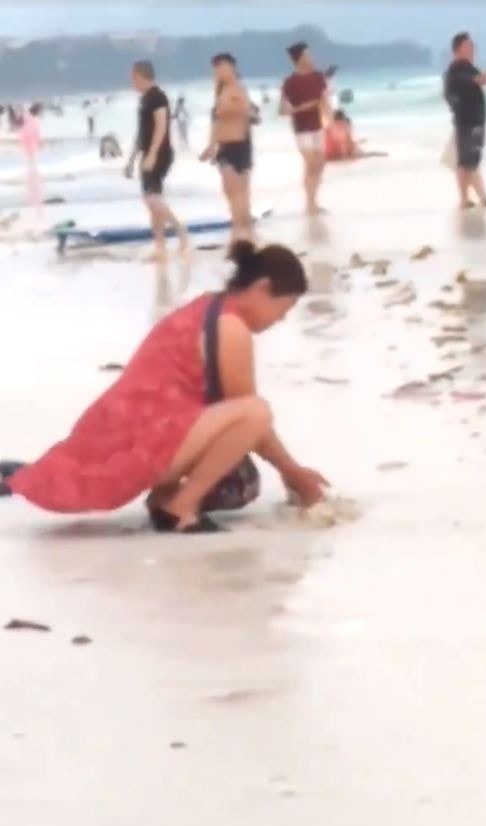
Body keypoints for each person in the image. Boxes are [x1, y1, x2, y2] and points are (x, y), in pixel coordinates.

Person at [5, 242, 327, 533]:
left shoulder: (208, 306)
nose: (279, 320)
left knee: (241, 477)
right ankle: (180, 508)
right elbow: (251, 420)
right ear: (262, 288)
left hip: (130, 437)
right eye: (283, 310)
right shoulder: (231, 328)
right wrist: (293, 473)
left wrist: (290, 471)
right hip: (141, 447)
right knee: (256, 413)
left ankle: (164, 498)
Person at [124, 60, 187, 263]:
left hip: (160, 153)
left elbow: (161, 127)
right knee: (153, 202)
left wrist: (152, 154)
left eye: (133, 77)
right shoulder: (144, 99)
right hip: (148, 152)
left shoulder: (158, 97)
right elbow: (142, 132)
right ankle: (161, 247)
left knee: (151, 198)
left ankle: (180, 231)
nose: (131, 82)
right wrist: (131, 159)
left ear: (141, 76)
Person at [200, 53, 253, 242]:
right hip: (223, 146)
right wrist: (211, 145)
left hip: (239, 143)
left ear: (231, 68)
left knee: (239, 191)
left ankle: (243, 231)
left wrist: (227, 110)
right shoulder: (220, 91)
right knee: (229, 190)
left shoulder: (239, 89)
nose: (218, 71)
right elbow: (216, 122)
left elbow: (246, 112)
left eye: (221, 67)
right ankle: (239, 228)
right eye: (215, 68)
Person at [280, 42, 332, 214]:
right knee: (310, 163)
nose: (311, 58)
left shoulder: (318, 77)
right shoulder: (290, 82)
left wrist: (332, 121)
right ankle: (310, 203)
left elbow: (325, 102)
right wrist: (300, 108)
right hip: (301, 129)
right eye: (308, 55)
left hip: (317, 126)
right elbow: (282, 110)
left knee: (320, 163)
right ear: (300, 58)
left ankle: (313, 200)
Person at [444, 32, 486, 209]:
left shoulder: (466, 67)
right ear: (459, 48)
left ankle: (479, 196)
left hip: (471, 120)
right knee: (466, 161)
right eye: (469, 46)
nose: (473, 49)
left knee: (471, 160)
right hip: (467, 121)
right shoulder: (457, 69)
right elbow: (480, 80)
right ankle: (464, 198)